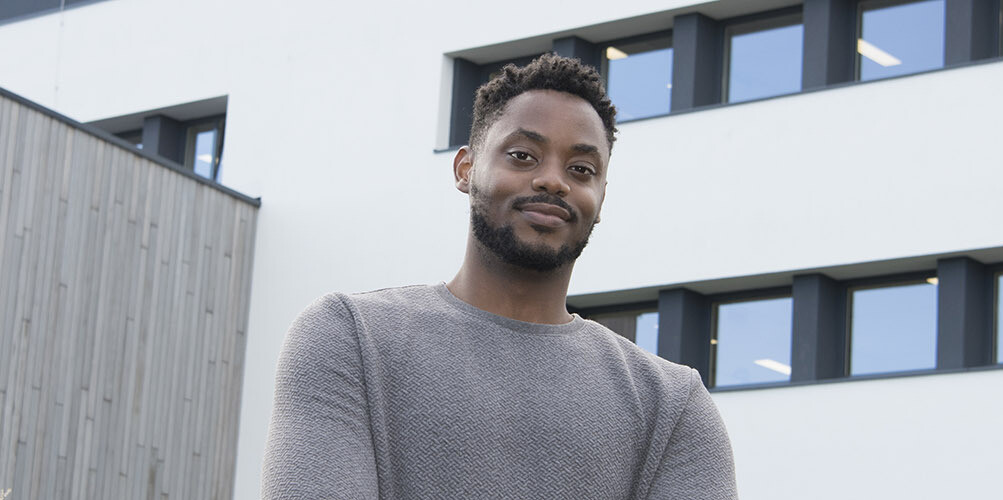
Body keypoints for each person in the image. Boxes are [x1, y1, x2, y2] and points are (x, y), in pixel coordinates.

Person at [262, 54, 737, 499]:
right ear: (466, 168)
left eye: (581, 168)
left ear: (601, 196)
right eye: (523, 156)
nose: (554, 180)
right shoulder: (349, 336)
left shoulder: (672, 404)